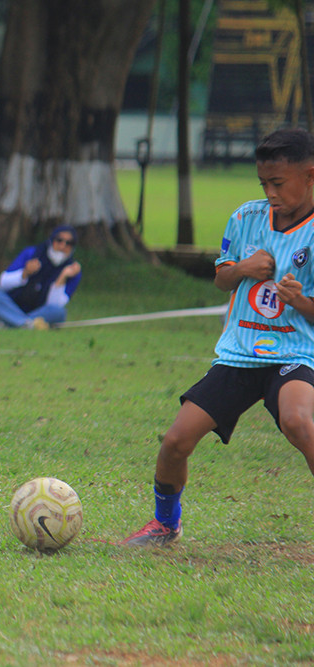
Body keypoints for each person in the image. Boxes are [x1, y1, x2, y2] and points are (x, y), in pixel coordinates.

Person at [123, 127, 314, 547]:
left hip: (295, 353)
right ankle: (165, 524)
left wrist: (300, 302)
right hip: (239, 354)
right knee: (175, 441)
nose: (270, 192)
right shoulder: (246, 218)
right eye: (263, 183)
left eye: (278, 183)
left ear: (310, 175)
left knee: (300, 422)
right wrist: (244, 268)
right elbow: (221, 279)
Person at [0, 226, 82, 329]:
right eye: (59, 240)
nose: (63, 246)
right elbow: (3, 283)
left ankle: (9, 322)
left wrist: (62, 278)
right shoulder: (31, 253)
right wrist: (25, 273)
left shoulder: (72, 270)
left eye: (69, 243)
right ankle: (24, 323)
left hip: (39, 313)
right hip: (11, 305)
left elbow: (53, 304)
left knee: (59, 312)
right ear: (52, 240)